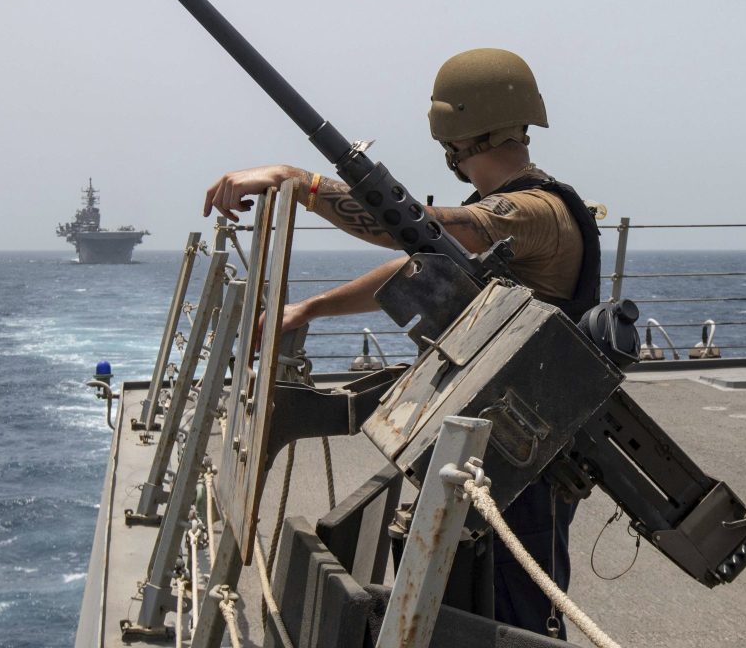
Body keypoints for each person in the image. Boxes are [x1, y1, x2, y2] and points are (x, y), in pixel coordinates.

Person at [202, 47, 599, 637]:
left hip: (523, 468)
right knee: (461, 617)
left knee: (516, 628)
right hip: (488, 453)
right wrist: (310, 308)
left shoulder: (533, 211)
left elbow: (421, 230)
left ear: (452, 135)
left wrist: (301, 182)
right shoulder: (508, 213)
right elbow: (420, 265)